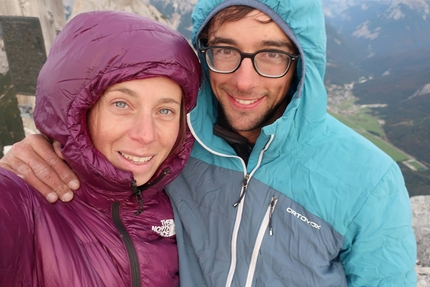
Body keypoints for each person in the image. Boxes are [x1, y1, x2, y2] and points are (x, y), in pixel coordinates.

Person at [1, 0, 417, 286]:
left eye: (271, 54)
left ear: (303, 61)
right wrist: (45, 148)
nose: (243, 80)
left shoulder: (369, 178)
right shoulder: (174, 143)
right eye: (225, 50)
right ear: (204, 52)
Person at [0, 10, 201, 287]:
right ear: (78, 113)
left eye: (165, 110)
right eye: (121, 104)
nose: (146, 135)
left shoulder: (176, 195)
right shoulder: (23, 199)